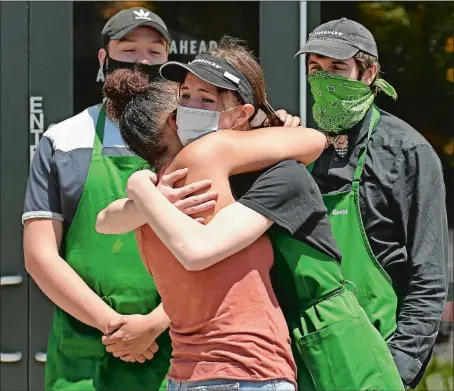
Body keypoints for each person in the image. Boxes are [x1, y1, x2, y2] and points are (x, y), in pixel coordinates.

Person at [97, 38, 404, 391]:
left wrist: (139, 189)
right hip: (247, 366)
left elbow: (189, 252)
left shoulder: (269, 173)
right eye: (185, 97)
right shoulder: (184, 179)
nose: (191, 109)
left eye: (207, 100)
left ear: (243, 114)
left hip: (323, 346)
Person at [22, 7, 222, 391]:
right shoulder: (64, 140)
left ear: (169, 60)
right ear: (104, 59)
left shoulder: (197, 139)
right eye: (128, 50)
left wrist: (154, 323)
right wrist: (113, 326)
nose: (142, 62)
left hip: (181, 345)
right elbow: (40, 255)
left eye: (155, 52)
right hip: (86, 351)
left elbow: (222, 245)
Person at [295, 17, 449, 389]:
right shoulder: (297, 149)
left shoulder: (407, 152)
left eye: (337, 68)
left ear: (369, 73)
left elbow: (429, 279)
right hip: (303, 360)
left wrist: (398, 368)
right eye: (315, 68)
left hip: (376, 358)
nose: (324, 79)